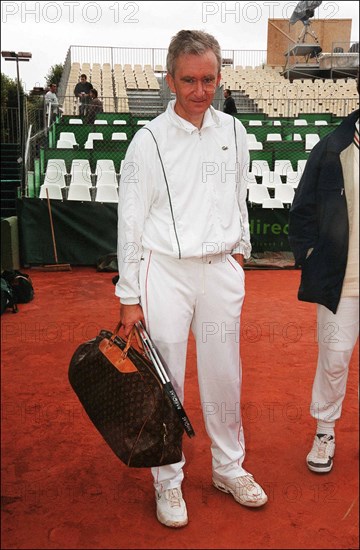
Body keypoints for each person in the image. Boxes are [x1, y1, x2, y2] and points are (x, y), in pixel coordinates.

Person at [116, 29, 267, 529]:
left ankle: (229, 467)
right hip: (166, 275)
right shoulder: (148, 141)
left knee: (226, 375)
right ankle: (168, 481)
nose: (199, 90)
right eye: (188, 80)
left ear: (220, 79)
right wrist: (129, 295)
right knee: (168, 382)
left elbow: (239, 195)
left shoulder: (235, 132)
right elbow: (131, 221)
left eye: (208, 79)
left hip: (221, 271)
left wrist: (240, 250)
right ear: (170, 80)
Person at [288, 77, 359, 475]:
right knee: (334, 359)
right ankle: (325, 431)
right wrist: (311, 255)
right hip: (342, 278)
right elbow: (302, 208)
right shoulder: (333, 146)